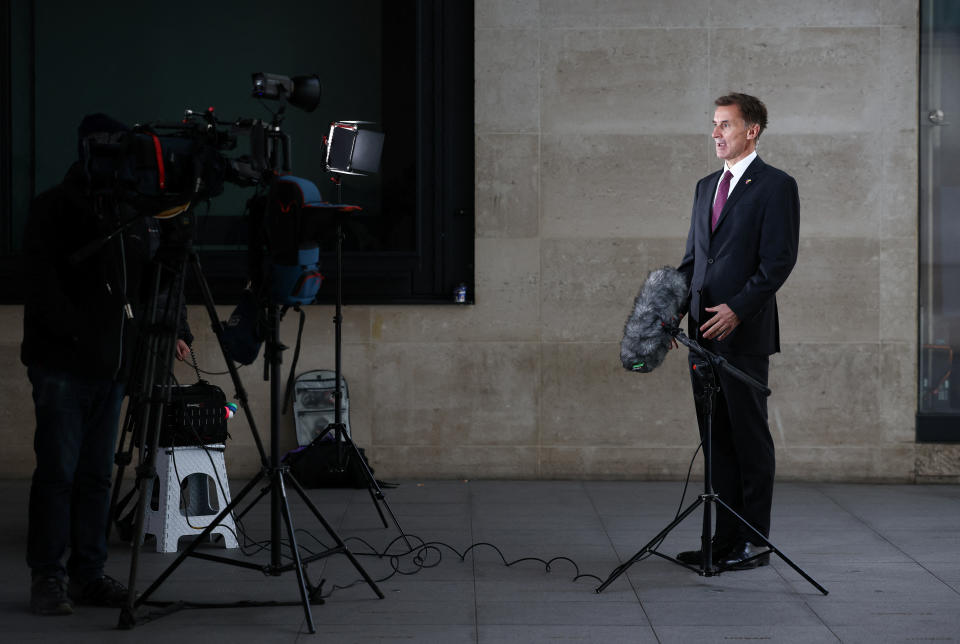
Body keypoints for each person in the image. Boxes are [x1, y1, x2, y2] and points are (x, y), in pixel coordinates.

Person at [21, 115, 192, 615]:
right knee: (58, 474)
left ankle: (88, 575)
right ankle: (48, 577)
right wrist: (81, 333)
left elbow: (145, 288)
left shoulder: (133, 217)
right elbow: (40, 285)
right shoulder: (54, 208)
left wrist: (174, 246)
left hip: (112, 371)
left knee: (96, 477)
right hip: (62, 368)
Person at [675, 93, 800, 570]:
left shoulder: (775, 186)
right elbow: (693, 261)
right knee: (716, 438)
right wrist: (671, 315)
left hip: (742, 335)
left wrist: (739, 310)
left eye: (725, 124)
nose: (715, 133)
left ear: (752, 130)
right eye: (713, 124)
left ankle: (755, 542)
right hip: (700, 333)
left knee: (748, 438)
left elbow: (778, 262)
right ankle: (724, 540)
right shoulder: (706, 186)